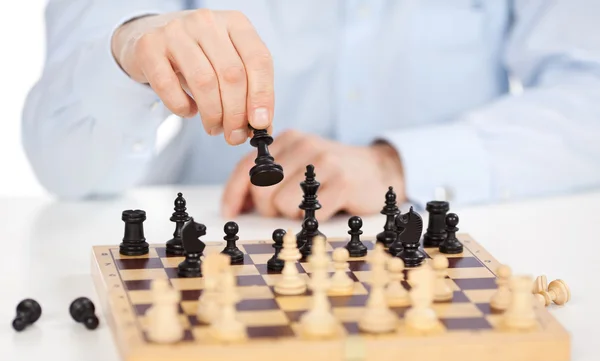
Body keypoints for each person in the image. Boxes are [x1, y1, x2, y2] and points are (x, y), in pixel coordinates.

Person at [22, 1, 600, 221]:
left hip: (452, 235)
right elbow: (65, 165)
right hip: (223, 240)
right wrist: (130, 46)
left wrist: (397, 165)